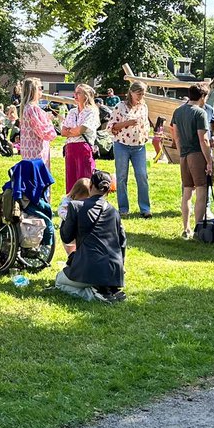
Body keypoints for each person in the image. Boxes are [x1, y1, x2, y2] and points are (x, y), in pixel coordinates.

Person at [55, 170, 126, 303]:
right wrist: (121, 267)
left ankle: (93, 293)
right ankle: (107, 289)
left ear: (91, 185)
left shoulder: (75, 206)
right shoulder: (114, 211)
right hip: (115, 271)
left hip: (89, 269)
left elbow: (66, 237)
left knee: (59, 281)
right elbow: (122, 242)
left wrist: (66, 219)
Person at [171, 84, 212, 240]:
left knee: (187, 192)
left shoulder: (178, 111)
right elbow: (204, 140)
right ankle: (197, 229)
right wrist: (209, 161)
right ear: (202, 97)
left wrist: (182, 153)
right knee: (201, 191)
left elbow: (177, 136)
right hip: (197, 155)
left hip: (184, 155)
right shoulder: (200, 113)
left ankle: (186, 228)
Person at [109, 81, 151, 219]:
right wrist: (128, 123)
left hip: (139, 146)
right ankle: (123, 208)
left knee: (142, 176)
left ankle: (145, 208)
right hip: (122, 145)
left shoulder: (144, 106)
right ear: (131, 92)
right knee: (121, 177)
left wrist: (146, 136)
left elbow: (145, 125)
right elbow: (111, 127)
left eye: (143, 94)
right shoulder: (119, 106)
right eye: (138, 93)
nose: (140, 96)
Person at [60, 84, 98, 195]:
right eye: (75, 92)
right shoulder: (72, 112)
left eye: (78, 93)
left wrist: (71, 131)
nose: (75, 95)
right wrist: (74, 131)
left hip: (84, 147)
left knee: (85, 177)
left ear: (86, 96)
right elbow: (63, 132)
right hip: (70, 147)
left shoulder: (92, 111)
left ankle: (86, 202)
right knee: (71, 177)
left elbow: (81, 130)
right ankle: (71, 202)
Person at [18, 78, 57, 173]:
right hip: (37, 152)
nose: (42, 90)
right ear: (33, 90)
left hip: (28, 152)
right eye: (40, 88)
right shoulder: (33, 108)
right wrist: (49, 121)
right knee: (39, 180)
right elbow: (43, 132)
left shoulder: (26, 108)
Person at [55, 177, 93, 255]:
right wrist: (71, 217)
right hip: (69, 229)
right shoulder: (67, 201)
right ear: (77, 193)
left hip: (82, 230)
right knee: (71, 250)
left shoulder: (88, 203)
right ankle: (71, 258)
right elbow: (61, 211)